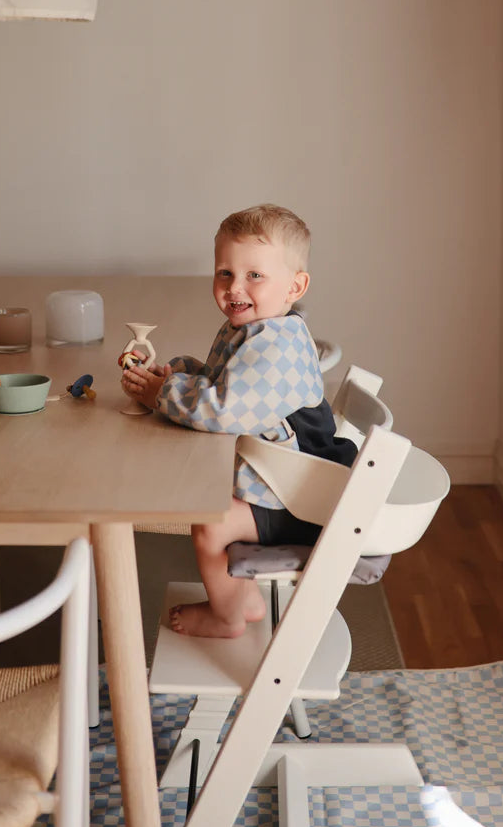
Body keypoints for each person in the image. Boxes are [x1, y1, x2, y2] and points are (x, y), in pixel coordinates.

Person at [121, 204, 357, 638]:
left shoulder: (276, 348)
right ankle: (241, 598)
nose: (234, 288)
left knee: (210, 522)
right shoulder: (255, 327)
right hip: (287, 481)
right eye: (224, 273)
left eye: (254, 276)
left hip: (302, 498)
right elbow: (222, 380)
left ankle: (228, 616)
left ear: (295, 286)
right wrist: (177, 374)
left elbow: (223, 409)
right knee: (206, 501)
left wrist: (163, 396)